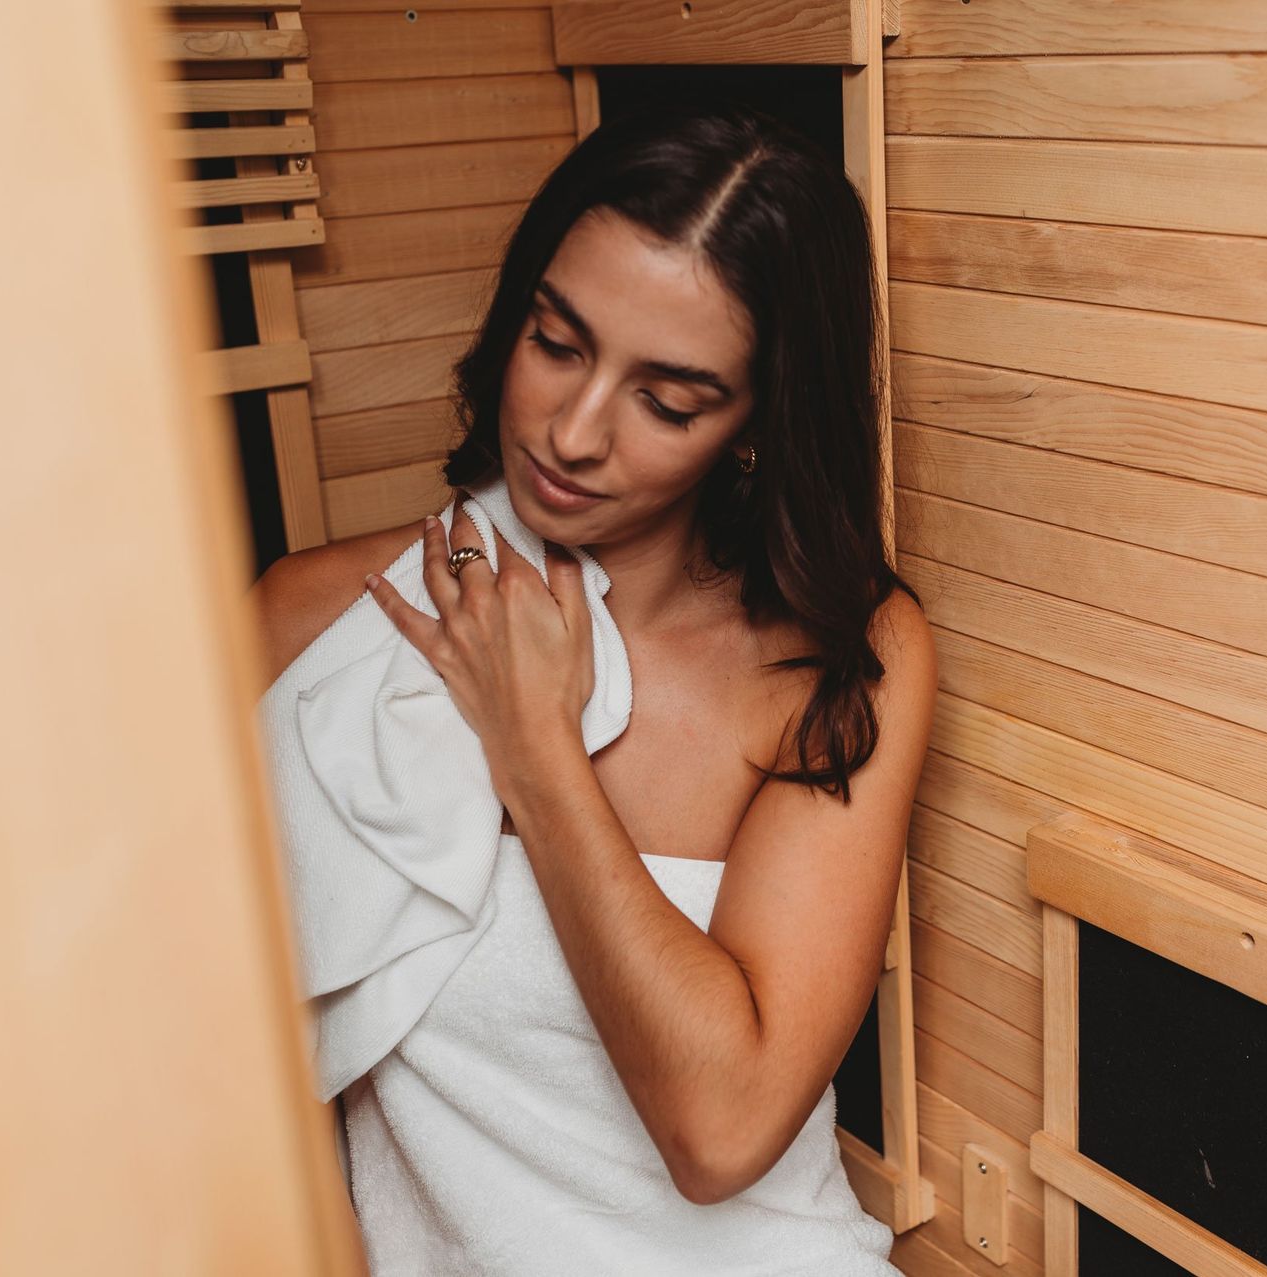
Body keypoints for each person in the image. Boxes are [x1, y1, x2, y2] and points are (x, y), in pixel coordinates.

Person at [249, 101, 933, 1274]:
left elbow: (721, 1132)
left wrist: (539, 752)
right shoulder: (309, 624)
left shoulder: (836, 655)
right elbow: (242, 1064)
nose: (570, 433)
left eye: (666, 401)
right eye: (556, 343)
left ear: (758, 418)